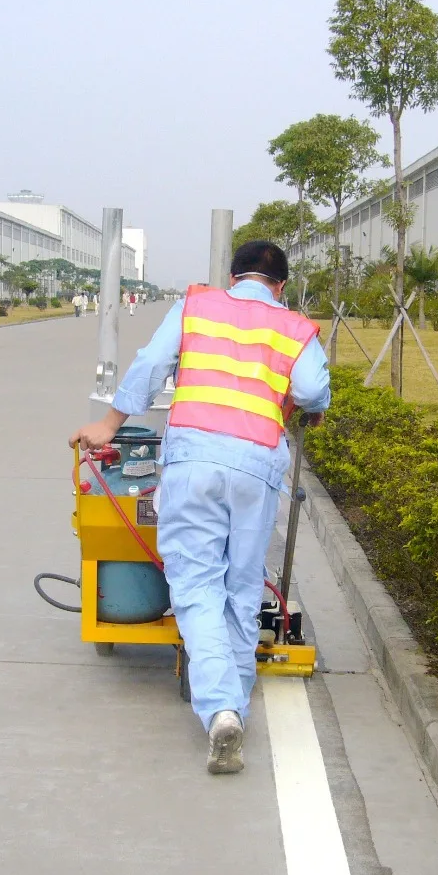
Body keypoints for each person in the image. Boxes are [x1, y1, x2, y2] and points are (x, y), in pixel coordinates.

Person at [69, 241, 330, 775]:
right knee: (241, 585)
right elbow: (311, 389)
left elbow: (152, 363)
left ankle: (221, 713)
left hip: (193, 460)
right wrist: (314, 410)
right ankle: (230, 704)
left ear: (233, 277)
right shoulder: (294, 326)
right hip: (257, 465)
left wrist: (108, 425)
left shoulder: (197, 305)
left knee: (194, 584)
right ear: (280, 285)